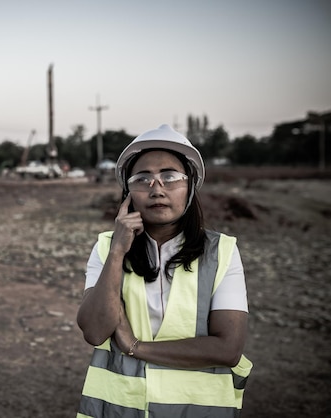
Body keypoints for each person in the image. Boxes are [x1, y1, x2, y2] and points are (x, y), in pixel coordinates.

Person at [76, 124, 252, 418]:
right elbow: (94, 330)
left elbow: (227, 349)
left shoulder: (222, 252)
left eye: (170, 177)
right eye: (143, 179)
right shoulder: (107, 248)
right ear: (128, 193)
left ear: (190, 186)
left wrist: (135, 347)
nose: (156, 188)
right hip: (119, 409)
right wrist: (119, 250)